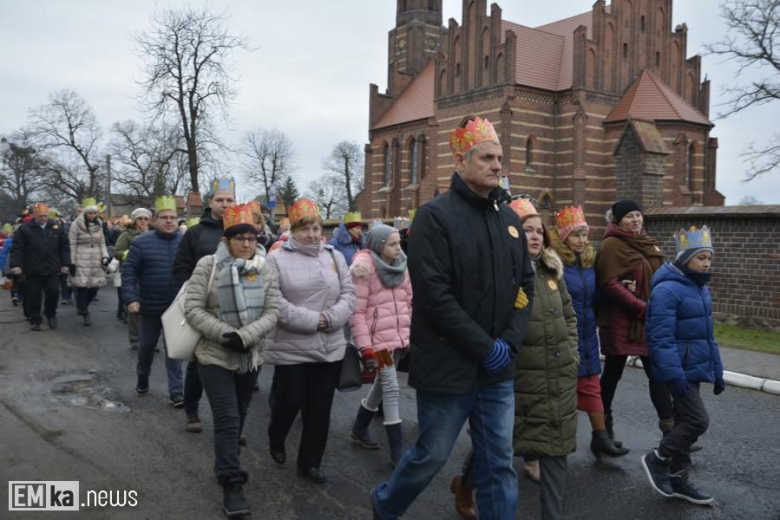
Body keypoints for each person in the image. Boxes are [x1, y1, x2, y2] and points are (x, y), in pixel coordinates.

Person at [371, 117, 535, 520]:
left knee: (499, 462)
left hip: (497, 370)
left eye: (499, 158)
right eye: (487, 158)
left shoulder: (509, 220)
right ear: (461, 161)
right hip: (449, 365)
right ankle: (385, 504)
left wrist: (508, 343)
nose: (497, 165)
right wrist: (484, 347)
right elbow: (434, 296)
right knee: (432, 454)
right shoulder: (434, 218)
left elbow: (525, 286)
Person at [184, 203, 280, 517]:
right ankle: (232, 483)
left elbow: (273, 310)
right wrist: (227, 335)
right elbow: (193, 308)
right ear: (226, 240)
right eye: (239, 238)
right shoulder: (208, 265)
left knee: (238, 414)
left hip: (250, 356)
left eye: (251, 238)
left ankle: (224, 463)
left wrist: (246, 336)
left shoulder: (264, 268)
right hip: (214, 354)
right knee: (227, 419)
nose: (246, 243)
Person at [265, 198, 356, 484]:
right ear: (293, 230)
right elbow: (274, 301)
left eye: (316, 228)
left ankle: (310, 463)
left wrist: (330, 318)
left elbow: (349, 294)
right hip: (292, 344)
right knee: (291, 399)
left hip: (329, 345)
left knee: (320, 408)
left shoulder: (334, 257)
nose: (312, 234)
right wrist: (313, 321)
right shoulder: (276, 259)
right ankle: (276, 434)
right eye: (305, 229)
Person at [642, 226, 723, 505]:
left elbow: (707, 336)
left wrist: (717, 370)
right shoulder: (667, 290)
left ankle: (678, 478)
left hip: (694, 368)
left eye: (709, 258)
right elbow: (660, 338)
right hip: (678, 370)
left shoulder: (699, 288)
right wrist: (673, 375)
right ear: (685, 258)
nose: (706, 263)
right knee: (697, 421)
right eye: (701, 258)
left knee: (682, 421)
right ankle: (658, 458)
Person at [509, 198, 579, 520]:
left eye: (539, 231)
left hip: (558, 376)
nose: (535, 236)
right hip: (521, 379)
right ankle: (466, 485)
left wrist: (572, 355)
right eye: (528, 230)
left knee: (556, 449)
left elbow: (569, 316)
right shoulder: (505, 272)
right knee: (499, 445)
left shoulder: (553, 272)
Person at [550, 206, 629, 460]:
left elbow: (594, 297)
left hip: (586, 334)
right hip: (563, 335)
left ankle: (600, 438)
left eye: (584, 234)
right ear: (564, 237)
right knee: (562, 391)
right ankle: (551, 445)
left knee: (592, 385)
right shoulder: (554, 264)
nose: (582, 240)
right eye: (576, 235)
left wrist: (618, 288)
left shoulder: (588, 263)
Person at [594, 199, 673, 447]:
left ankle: (670, 431)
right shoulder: (611, 245)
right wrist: (640, 307)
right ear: (617, 221)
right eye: (629, 216)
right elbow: (609, 283)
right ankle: (603, 429)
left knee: (657, 373)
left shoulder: (647, 242)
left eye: (638, 215)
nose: (635, 220)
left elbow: (661, 275)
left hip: (648, 321)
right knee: (612, 373)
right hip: (619, 320)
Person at [174, 177, 237, 433]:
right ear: (210, 202)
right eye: (220, 200)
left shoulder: (243, 231)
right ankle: (191, 410)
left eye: (229, 200)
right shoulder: (196, 233)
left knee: (238, 361)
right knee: (200, 361)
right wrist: (192, 297)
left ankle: (235, 420)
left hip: (239, 309)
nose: (225, 204)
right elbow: (181, 267)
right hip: (204, 309)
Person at [348, 224, 412, 467]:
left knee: (381, 384)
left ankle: (359, 428)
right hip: (379, 344)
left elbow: (409, 302)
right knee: (392, 387)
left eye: (399, 243)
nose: (398, 248)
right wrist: (365, 347)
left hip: (397, 338)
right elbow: (357, 312)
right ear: (378, 246)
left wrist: (409, 334)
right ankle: (397, 451)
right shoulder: (364, 270)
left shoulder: (403, 266)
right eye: (392, 244)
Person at [121, 196, 184, 406]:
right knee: (146, 347)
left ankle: (176, 392)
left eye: (173, 217)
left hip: (176, 307)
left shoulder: (185, 242)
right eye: (164, 217)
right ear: (154, 220)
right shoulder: (141, 242)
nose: (169, 221)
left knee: (174, 351)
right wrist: (130, 298)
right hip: (149, 307)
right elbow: (129, 273)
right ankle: (142, 378)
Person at [8, 203, 70, 330]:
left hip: (52, 267)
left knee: (53, 292)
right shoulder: (25, 229)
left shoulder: (56, 227)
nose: (43, 218)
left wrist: (65, 263)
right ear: (34, 215)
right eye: (40, 216)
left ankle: (50, 314)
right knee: (33, 296)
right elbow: (17, 248)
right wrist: (16, 265)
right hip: (32, 268)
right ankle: (35, 319)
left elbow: (64, 247)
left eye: (45, 216)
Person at [114, 208, 152, 348]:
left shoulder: (154, 233)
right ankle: (135, 339)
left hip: (151, 273)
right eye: (140, 219)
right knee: (135, 308)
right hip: (134, 273)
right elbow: (117, 251)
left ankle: (150, 340)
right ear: (135, 220)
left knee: (151, 308)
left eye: (145, 219)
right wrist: (130, 254)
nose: (143, 221)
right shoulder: (126, 235)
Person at [69, 198, 109, 326]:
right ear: (85, 213)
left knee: (95, 287)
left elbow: (102, 242)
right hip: (81, 257)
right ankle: (85, 313)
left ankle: (83, 305)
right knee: (82, 286)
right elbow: (72, 244)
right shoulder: (76, 225)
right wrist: (71, 261)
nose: (92, 215)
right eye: (90, 213)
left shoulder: (98, 224)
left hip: (96, 257)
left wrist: (105, 256)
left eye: (94, 213)